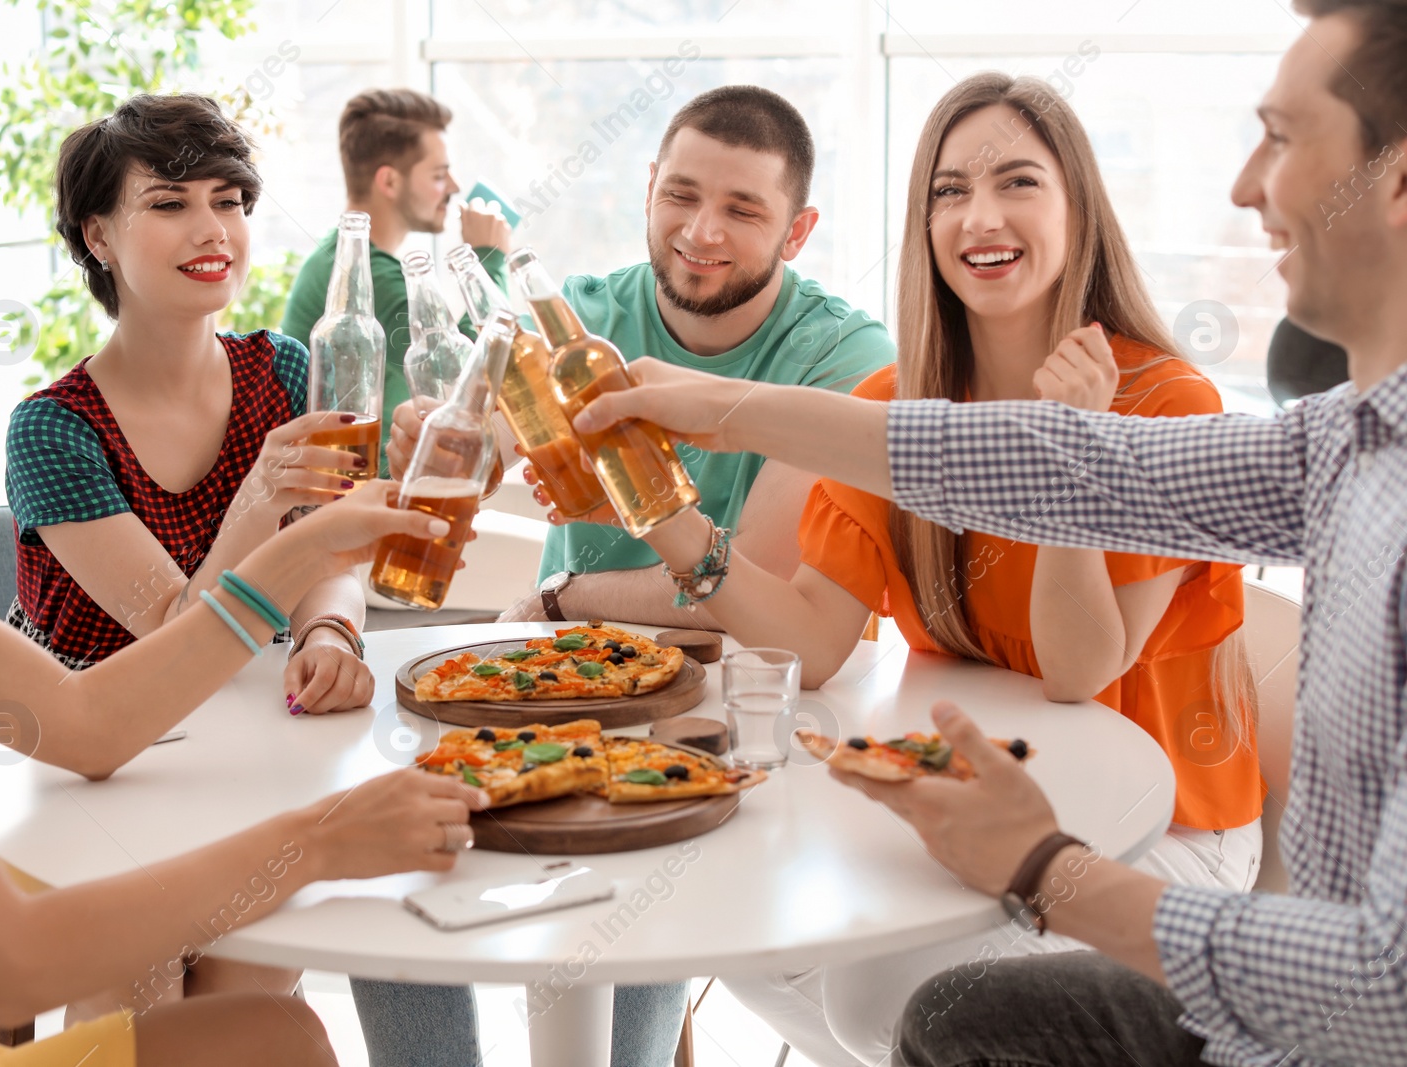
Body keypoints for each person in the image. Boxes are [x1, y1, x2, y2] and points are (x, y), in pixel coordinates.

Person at [567, 2, 1407, 1062]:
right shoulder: (1334, 445)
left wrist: (1043, 866)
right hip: (1071, 831)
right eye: (949, 191)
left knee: (899, 1001)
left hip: (1200, 867)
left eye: (1279, 139)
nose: (1242, 186)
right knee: (823, 966)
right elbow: (1014, 463)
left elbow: (1378, 989)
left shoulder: (1202, 403)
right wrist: (708, 406)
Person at [0, 138, 485, 1067]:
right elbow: (6, 960)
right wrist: (319, 839)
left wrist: (321, 554)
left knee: (273, 1028)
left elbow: (85, 724)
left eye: (229, 200)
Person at [2, 93, 371, 1021]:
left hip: (240, 736)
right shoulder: (52, 430)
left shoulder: (284, 369)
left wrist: (329, 627)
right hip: (90, 750)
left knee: (253, 992)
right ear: (97, 235)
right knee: (142, 991)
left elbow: (334, 541)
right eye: (169, 203)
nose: (213, 229)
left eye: (230, 200)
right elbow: (176, 634)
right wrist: (259, 496)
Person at [390, 84, 896, 633]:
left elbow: (752, 581)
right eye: (681, 195)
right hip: (574, 676)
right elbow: (481, 453)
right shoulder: (579, 320)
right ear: (651, 187)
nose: (701, 231)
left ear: (796, 232)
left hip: (753, 681)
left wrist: (565, 597)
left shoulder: (846, 356)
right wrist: (427, 449)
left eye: (742, 210)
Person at [281, 88, 512, 471]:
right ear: (388, 182)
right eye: (439, 175)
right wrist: (487, 261)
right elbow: (466, 378)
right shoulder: (369, 280)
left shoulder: (341, 260)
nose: (454, 186)